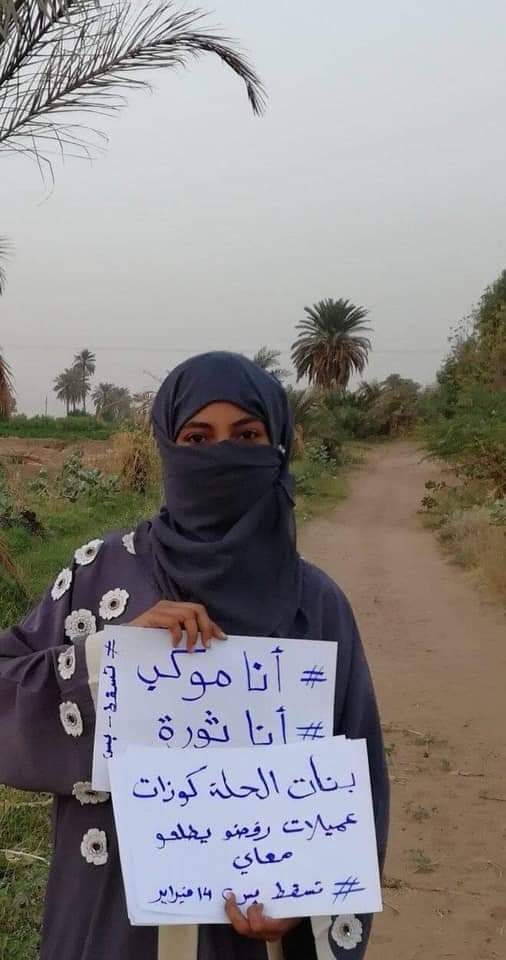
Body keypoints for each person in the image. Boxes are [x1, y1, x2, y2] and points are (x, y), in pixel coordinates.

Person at [0, 352, 389, 960]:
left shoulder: (316, 606)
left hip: (247, 939)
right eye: (198, 438)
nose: (221, 455)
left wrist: (304, 900)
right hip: (109, 925)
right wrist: (107, 662)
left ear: (278, 447)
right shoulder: (97, 577)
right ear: (167, 446)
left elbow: (355, 787)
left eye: (247, 436)